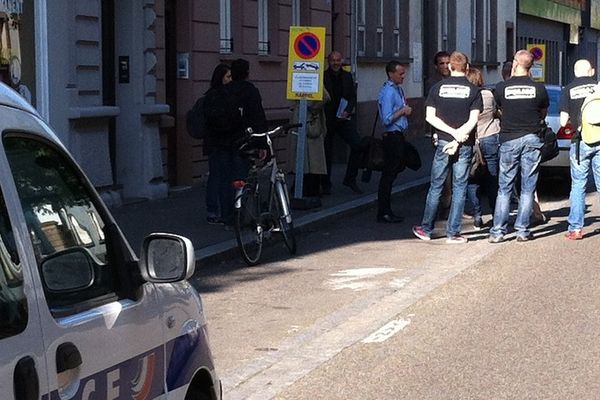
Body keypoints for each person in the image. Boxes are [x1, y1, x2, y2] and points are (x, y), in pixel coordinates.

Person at [412, 51, 482, 243]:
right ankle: (453, 233)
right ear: (467, 68)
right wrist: (459, 136)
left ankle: (426, 229)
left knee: (436, 186)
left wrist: (450, 134)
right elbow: (473, 120)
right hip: (464, 144)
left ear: (450, 67)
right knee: (460, 187)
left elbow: (430, 117)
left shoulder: (437, 88)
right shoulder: (474, 91)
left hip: (443, 143)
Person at [488, 50, 549, 243]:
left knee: (504, 187)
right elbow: (543, 112)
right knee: (528, 186)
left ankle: (498, 231)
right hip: (532, 138)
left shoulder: (501, 87)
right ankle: (522, 230)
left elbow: (498, 108)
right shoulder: (538, 88)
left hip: (509, 139)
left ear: (515, 63)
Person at [205, 58, 267, 227]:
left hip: (224, 142)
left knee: (225, 181)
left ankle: (227, 217)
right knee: (241, 179)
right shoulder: (250, 91)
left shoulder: (223, 91)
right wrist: (262, 144)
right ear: (247, 73)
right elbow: (258, 118)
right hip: (243, 143)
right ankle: (242, 215)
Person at [561, 59, 597, 240]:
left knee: (578, 184)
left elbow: (562, 121)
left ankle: (575, 228)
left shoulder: (568, 90)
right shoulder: (598, 87)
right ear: (591, 71)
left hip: (579, 141)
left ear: (575, 72)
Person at [376, 61, 413, 223]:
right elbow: (386, 119)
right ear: (391, 74)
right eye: (400, 73)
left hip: (399, 135)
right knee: (388, 175)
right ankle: (384, 211)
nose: (403, 76)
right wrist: (402, 111)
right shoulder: (388, 92)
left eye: (403, 73)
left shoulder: (397, 89)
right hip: (392, 136)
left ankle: (386, 209)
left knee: (397, 169)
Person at [322, 51, 363, 194]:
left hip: (343, 118)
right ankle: (326, 184)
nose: (335, 63)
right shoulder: (323, 76)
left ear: (342, 61)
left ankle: (350, 179)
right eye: (333, 60)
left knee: (358, 144)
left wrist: (348, 110)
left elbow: (352, 96)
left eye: (338, 60)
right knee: (326, 151)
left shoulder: (347, 76)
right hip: (327, 118)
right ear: (328, 61)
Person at [464, 67, 500, 229]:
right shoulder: (488, 95)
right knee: (492, 178)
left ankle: (478, 216)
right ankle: (495, 214)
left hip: (472, 139)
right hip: (490, 137)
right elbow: (495, 113)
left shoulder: (466, 96)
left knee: (473, 178)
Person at [291, 88, 331, 206]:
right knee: (308, 160)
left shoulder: (314, 79)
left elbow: (325, 96)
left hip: (310, 123)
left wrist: (311, 108)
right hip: (305, 121)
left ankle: (310, 190)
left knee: (311, 160)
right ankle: (306, 189)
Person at [204, 63, 232, 225]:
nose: (230, 80)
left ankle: (216, 210)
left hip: (217, 142)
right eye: (228, 77)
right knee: (217, 177)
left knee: (218, 176)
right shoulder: (216, 96)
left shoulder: (213, 95)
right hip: (218, 143)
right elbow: (217, 121)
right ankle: (214, 210)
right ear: (220, 78)